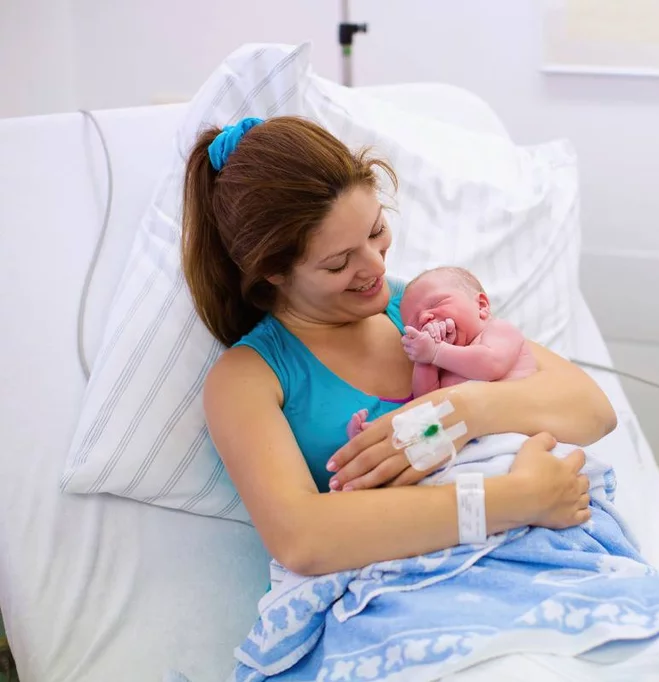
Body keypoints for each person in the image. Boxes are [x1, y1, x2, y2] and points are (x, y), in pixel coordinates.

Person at [180, 115, 617, 577]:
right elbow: (300, 539)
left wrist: (457, 413)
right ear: (273, 271)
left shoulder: (423, 307)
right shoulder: (249, 377)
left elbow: (592, 410)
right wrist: (511, 501)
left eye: (375, 231)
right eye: (338, 263)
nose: (374, 266)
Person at [345, 265, 536, 439]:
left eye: (435, 304)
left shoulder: (499, 330)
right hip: (469, 448)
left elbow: (491, 365)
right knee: (424, 440)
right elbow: (426, 403)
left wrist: (436, 352)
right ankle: (374, 437)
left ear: (482, 306)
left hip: (515, 435)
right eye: (414, 323)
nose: (425, 317)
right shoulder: (441, 362)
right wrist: (423, 361)